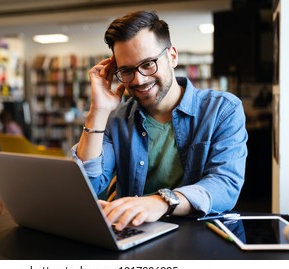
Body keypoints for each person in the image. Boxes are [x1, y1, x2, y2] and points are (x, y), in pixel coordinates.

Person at [72, 11, 248, 231]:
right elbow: (86, 186)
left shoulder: (222, 109)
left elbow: (225, 185)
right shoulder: (114, 118)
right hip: (133, 236)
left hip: (200, 235)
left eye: (148, 64)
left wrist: (161, 202)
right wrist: (97, 111)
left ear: (172, 56)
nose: (139, 80)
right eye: (126, 70)